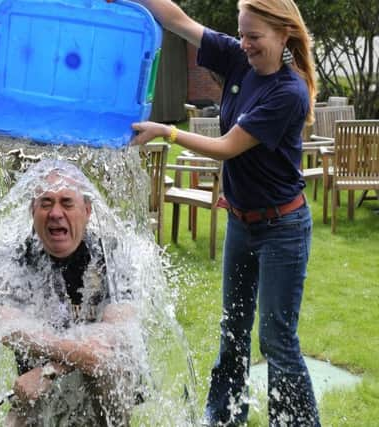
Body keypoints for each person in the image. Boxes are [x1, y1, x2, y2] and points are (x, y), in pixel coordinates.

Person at [129, 0, 320, 426]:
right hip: (241, 221)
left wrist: (169, 131)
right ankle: (223, 418)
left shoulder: (287, 92)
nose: (245, 44)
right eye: (242, 34)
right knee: (233, 331)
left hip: (282, 229)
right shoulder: (238, 58)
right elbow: (177, 20)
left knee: (275, 339)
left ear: (283, 34)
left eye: (255, 36)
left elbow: (227, 147)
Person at [0, 160, 144, 427]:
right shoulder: (15, 255)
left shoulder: (110, 252)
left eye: (67, 202)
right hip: (37, 386)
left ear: (87, 210)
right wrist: (74, 352)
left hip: (92, 379)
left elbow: (117, 329)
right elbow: (9, 326)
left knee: (112, 365)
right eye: (46, 203)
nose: (56, 213)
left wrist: (51, 369)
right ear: (32, 211)